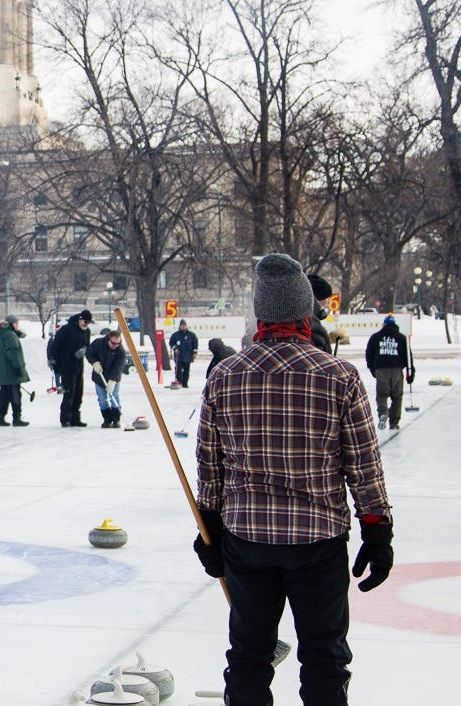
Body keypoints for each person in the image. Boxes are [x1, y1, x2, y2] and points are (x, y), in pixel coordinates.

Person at [195, 253, 392, 705]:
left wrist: (210, 531)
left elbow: (210, 468)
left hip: (248, 541)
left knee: (248, 655)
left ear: (261, 313)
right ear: (307, 311)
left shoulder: (226, 376)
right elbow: (364, 465)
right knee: (324, 657)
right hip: (317, 542)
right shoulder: (338, 375)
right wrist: (377, 532)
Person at [364, 316, 412, 430]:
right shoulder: (401, 338)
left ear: (384, 325)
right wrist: (410, 373)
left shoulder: (375, 337)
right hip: (397, 370)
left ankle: (383, 414)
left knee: (382, 395)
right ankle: (394, 422)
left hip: (381, 370)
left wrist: (372, 368)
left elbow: (369, 354)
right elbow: (408, 357)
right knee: (397, 396)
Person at [53, 310, 93, 427]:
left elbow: (87, 345)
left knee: (78, 393)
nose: (86, 324)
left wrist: (85, 350)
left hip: (79, 366)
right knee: (69, 393)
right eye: (85, 321)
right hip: (66, 366)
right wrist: (53, 359)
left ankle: (75, 418)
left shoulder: (87, 332)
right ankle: (65, 418)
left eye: (88, 322)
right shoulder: (67, 329)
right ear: (79, 319)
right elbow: (56, 345)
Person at [0, 314, 29, 426]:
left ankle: (0, 417)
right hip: (11, 371)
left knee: (4, 395)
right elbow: (14, 352)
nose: (18, 326)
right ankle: (17, 418)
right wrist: (18, 367)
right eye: (16, 323)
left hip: (2, 372)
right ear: (12, 324)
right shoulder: (10, 335)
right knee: (15, 395)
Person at [87, 327, 127, 428]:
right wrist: (95, 363)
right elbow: (89, 353)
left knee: (114, 396)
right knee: (102, 399)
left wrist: (113, 381)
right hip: (99, 376)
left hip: (113, 377)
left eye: (118, 343)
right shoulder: (98, 343)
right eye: (113, 343)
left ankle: (116, 419)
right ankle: (107, 419)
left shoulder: (121, 351)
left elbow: (118, 367)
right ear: (108, 339)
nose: (115, 346)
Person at [168, 320, 199, 390]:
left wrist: (195, 352)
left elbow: (195, 344)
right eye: (182, 326)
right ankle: (179, 382)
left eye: (184, 325)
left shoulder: (191, 335)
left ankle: (185, 383)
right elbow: (171, 342)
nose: (183, 327)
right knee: (178, 370)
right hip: (179, 356)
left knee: (186, 370)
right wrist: (175, 348)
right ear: (179, 326)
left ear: (186, 326)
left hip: (188, 356)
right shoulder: (175, 335)